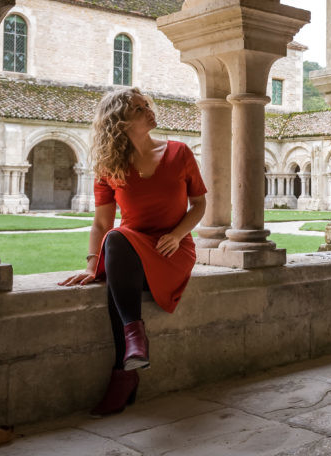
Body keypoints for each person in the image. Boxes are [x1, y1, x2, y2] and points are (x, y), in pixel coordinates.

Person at [59, 87, 206, 417]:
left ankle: (124, 371)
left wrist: (178, 233)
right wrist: (91, 264)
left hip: (173, 250)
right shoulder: (110, 166)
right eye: (139, 109)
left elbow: (199, 204)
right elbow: (101, 223)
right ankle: (132, 345)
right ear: (121, 123)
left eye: (147, 105)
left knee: (116, 283)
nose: (149, 111)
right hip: (130, 250)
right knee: (116, 239)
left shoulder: (180, 152)